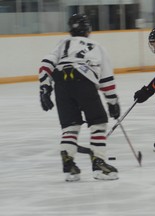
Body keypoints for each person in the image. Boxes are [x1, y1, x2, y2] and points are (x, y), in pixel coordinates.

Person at [38, 14, 120, 181]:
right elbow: (106, 79)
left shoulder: (63, 43)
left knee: (70, 125)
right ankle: (99, 164)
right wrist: (112, 102)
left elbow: (46, 64)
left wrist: (44, 88)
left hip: (61, 81)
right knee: (98, 122)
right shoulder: (97, 46)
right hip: (83, 78)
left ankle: (69, 166)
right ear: (88, 30)